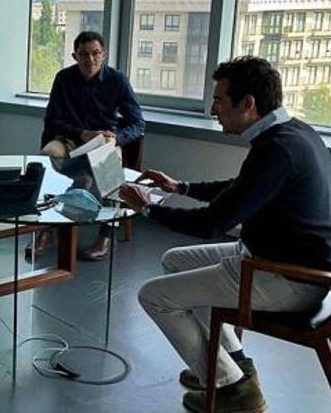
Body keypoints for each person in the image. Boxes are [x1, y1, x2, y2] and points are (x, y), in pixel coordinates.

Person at [119, 56, 331, 412]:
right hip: (280, 262)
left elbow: (210, 224)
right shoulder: (295, 132)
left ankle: (234, 390)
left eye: (219, 100)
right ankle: (234, 363)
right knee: (174, 261)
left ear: (248, 104)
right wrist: (181, 186)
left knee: (153, 297)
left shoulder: (277, 149)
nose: (213, 108)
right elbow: (244, 188)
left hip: (287, 279)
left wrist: (147, 209)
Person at [33, 31, 145, 261]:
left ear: (103, 54)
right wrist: (81, 133)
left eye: (95, 53)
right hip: (69, 138)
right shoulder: (63, 78)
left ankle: (107, 235)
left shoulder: (117, 80)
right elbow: (52, 120)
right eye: (83, 54)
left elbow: (138, 123)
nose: (90, 60)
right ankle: (48, 225)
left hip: (104, 141)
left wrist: (116, 138)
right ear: (74, 56)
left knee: (109, 168)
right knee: (49, 155)